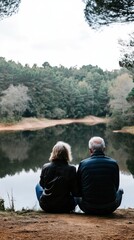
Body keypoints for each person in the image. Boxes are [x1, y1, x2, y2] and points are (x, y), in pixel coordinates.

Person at [77, 136, 124, 215]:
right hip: (109, 207)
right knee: (120, 190)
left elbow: (78, 187)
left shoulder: (83, 164)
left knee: (75, 194)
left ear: (90, 150)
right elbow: (116, 186)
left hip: (88, 208)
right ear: (104, 149)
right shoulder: (114, 163)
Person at [35, 141, 78, 213]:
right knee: (76, 194)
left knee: (37, 186)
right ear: (67, 154)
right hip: (66, 207)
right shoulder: (72, 169)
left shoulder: (45, 167)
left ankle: (47, 201)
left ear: (53, 153)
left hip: (46, 206)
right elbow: (75, 191)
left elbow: (42, 185)